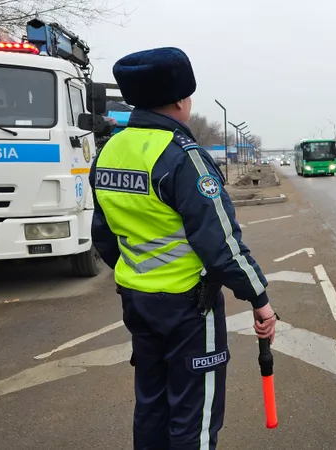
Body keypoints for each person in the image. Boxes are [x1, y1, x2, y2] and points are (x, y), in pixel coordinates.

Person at [89, 47, 277, 449]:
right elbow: (221, 244)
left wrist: (140, 275)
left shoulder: (109, 152)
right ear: (179, 99)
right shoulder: (182, 159)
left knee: (152, 406)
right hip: (190, 309)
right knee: (195, 416)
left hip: (137, 303)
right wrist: (259, 298)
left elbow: (104, 236)